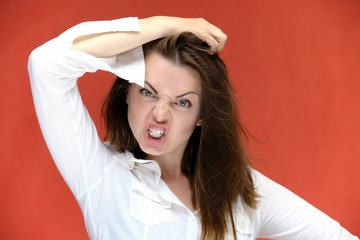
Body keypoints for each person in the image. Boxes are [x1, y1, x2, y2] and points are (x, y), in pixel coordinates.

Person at [28, 16, 358, 240]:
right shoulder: (99, 174)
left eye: (182, 102)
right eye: (147, 91)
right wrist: (166, 24)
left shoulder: (240, 188)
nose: (160, 114)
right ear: (126, 93)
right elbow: (46, 64)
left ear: (202, 115)